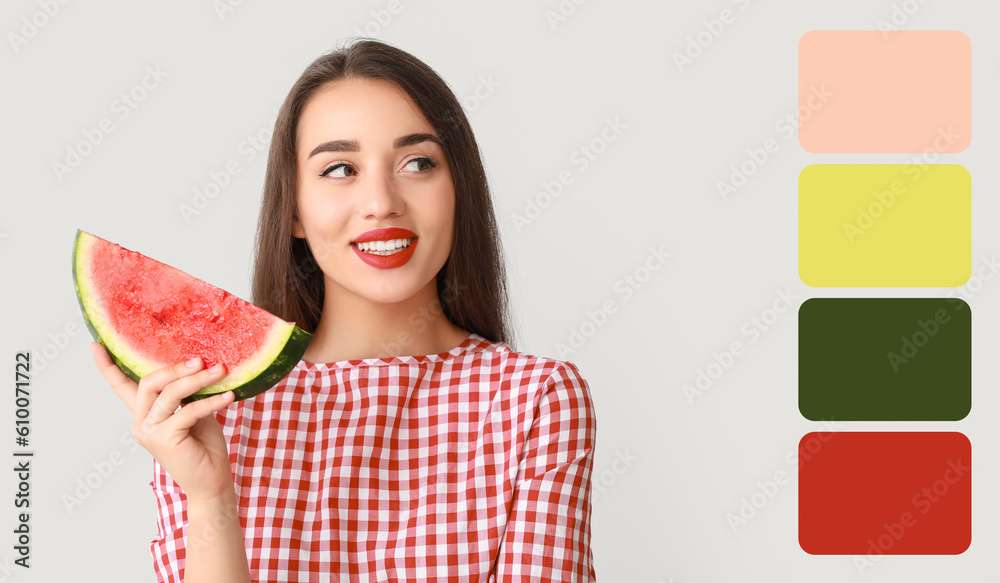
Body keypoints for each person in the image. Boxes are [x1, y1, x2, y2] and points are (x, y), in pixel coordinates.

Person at [90, 37, 597, 582]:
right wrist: (211, 496)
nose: (381, 201)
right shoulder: (212, 408)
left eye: (418, 162)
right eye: (339, 169)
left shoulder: (535, 400)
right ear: (295, 211)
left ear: (458, 190)